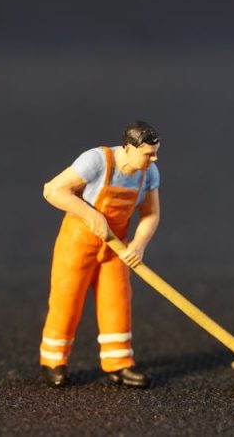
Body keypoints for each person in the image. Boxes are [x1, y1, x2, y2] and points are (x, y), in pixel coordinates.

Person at [38, 121, 161, 388]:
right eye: (148, 153)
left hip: (116, 249)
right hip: (77, 244)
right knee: (66, 300)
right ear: (128, 148)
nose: (154, 158)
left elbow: (151, 214)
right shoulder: (97, 161)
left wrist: (138, 245)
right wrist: (90, 213)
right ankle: (54, 361)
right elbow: (52, 190)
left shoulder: (148, 174)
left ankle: (118, 364)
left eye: (155, 153)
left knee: (117, 302)